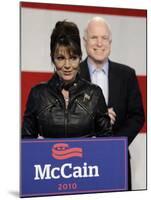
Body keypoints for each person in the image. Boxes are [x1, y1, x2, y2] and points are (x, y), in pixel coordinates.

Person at [79, 16, 145, 190]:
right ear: (85, 41)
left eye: (104, 38)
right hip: (80, 162)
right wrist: (94, 119)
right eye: (94, 37)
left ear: (110, 42)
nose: (99, 43)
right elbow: (60, 117)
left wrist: (115, 144)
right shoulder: (72, 75)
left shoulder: (127, 74)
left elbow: (137, 116)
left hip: (118, 160)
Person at [22, 20, 113, 139]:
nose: (67, 65)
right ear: (52, 58)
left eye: (73, 58)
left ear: (80, 58)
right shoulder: (38, 94)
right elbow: (26, 145)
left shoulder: (94, 94)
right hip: (47, 158)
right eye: (60, 58)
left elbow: (108, 144)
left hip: (87, 158)